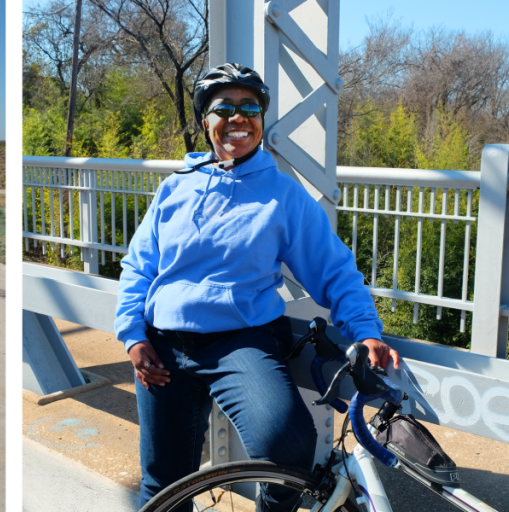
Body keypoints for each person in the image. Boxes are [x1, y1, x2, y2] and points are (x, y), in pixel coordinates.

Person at [115, 63, 400, 511]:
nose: (237, 117)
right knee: (164, 482)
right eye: (223, 108)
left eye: (249, 107)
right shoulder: (174, 189)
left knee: (290, 448)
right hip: (163, 345)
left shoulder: (282, 196)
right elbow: (138, 266)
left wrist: (366, 330)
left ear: (261, 120)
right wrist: (132, 335)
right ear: (205, 121)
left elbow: (334, 269)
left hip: (240, 342)